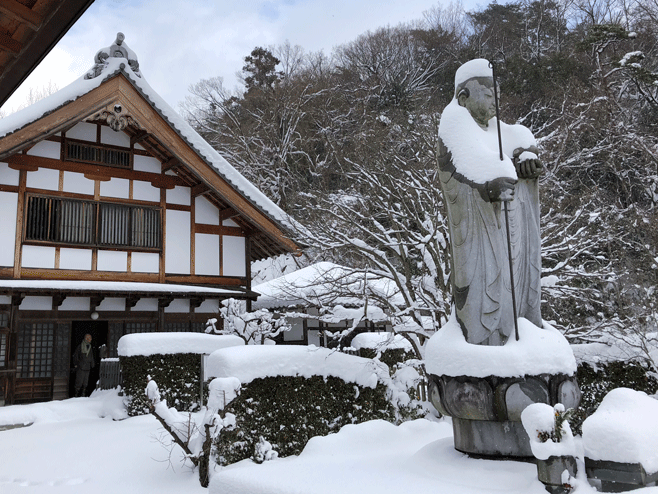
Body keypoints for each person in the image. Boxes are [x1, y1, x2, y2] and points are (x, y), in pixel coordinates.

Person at [437, 58, 543, 345]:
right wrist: (486, 187)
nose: (494, 100)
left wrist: (526, 165)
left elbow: (519, 145)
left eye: (495, 93)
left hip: (511, 229)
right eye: (486, 94)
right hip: (479, 232)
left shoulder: (504, 131)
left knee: (515, 281)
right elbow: (460, 171)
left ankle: (520, 330)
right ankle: (484, 342)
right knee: (484, 287)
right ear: (464, 97)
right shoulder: (454, 123)